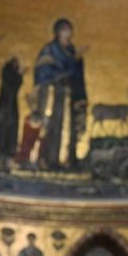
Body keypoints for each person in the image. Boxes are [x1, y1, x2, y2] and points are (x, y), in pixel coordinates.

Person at [33, 18, 88, 170]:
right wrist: (70, 64)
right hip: (54, 95)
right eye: (65, 30)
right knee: (53, 126)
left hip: (69, 95)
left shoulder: (71, 50)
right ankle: (49, 159)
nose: (68, 33)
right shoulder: (50, 50)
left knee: (69, 127)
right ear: (58, 32)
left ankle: (67, 159)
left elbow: (76, 74)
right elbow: (43, 71)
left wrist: (77, 61)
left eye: (69, 30)